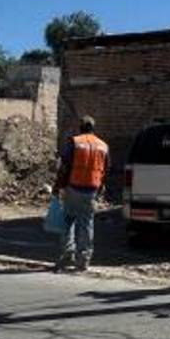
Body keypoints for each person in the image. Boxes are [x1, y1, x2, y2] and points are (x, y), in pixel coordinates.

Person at [52, 116, 110, 272]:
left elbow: (64, 167)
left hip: (73, 188)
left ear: (81, 127)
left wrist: (58, 186)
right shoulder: (103, 146)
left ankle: (67, 255)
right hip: (91, 190)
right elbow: (106, 171)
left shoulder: (75, 142)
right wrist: (100, 190)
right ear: (93, 128)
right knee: (86, 224)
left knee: (68, 221)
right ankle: (83, 260)